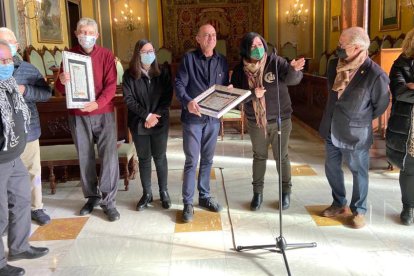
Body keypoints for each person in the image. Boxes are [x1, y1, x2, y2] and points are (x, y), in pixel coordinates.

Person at [319, 27, 390, 229]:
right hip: (331, 127)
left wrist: (359, 118)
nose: (338, 48)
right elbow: (333, 97)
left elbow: (380, 105)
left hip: (355, 133)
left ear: (357, 47)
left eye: (342, 45)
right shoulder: (333, 65)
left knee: (359, 172)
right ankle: (339, 203)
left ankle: (359, 211)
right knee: (331, 168)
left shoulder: (375, 74)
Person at [55, 17, 120, 222]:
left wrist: (97, 103)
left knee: (109, 156)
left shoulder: (107, 55)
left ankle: (108, 202)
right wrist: (62, 81)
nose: (86, 36)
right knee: (85, 156)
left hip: (104, 112)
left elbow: (111, 86)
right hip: (78, 114)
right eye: (82, 32)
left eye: (90, 33)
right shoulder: (69, 56)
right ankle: (91, 197)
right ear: (76, 33)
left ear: (97, 35)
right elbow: (58, 89)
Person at [231, 32, 304, 211]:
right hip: (255, 121)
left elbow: (293, 80)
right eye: (253, 46)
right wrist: (251, 95)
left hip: (280, 119)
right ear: (246, 50)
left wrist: (294, 70)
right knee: (259, 156)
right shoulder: (240, 70)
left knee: (282, 157)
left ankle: (285, 192)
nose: (258, 49)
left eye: (260, 44)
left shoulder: (276, 62)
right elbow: (237, 99)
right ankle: (258, 194)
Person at [0, 40, 49, 276]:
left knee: (21, 201)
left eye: (9, 59)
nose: (7, 64)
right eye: (1, 61)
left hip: (14, 156)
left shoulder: (9, 84)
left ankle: (19, 246)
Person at [175, 24, 228, 223]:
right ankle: (187, 203)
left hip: (213, 119)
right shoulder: (188, 59)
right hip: (193, 120)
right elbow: (179, 83)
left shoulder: (221, 61)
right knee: (191, 161)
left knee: (208, 160)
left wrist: (227, 90)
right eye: (206, 35)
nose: (211, 38)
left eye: (213, 35)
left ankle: (204, 196)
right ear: (197, 38)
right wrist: (187, 101)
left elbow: (220, 88)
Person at [122, 40, 173, 211]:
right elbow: (129, 99)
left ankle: (164, 192)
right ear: (138, 54)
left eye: (151, 51)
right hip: (139, 122)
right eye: (145, 51)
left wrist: (155, 116)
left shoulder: (163, 72)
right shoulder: (129, 75)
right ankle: (147, 194)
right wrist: (147, 116)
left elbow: (167, 97)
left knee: (160, 157)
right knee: (144, 159)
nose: (149, 54)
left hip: (160, 121)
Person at [386, 27, 414, 226]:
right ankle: (408, 207)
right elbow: (400, 92)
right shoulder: (401, 63)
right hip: (408, 126)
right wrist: (407, 87)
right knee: (409, 169)